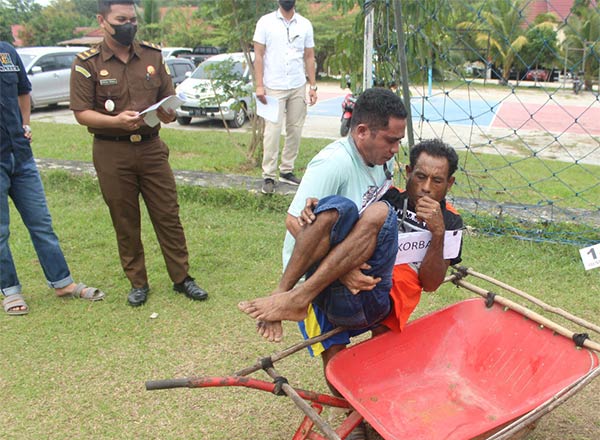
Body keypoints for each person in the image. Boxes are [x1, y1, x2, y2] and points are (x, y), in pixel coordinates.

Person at [239, 89, 462, 388]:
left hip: (369, 283)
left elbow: (431, 282)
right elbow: (294, 221)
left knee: (362, 212)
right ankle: (290, 297)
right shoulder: (336, 164)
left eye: (437, 181)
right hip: (325, 278)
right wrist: (343, 269)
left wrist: (437, 232)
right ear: (361, 132)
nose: (396, 149)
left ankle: (290, 299)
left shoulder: (387, 170)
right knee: (348, 209)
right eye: (391, 140)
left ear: (449, 184)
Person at [69, 0, 208, 307]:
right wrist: (115, 121)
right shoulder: (87, 62)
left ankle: (182, 278)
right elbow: (81, 113)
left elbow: (166, 99)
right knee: (125, 219)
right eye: (121, 19)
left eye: (132, 19)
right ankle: (138, 282)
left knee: (168, 214)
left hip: (150, 147)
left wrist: (168, 112)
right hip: (111, 151)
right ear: (103, 21)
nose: (128, 24)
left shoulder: (152, 56)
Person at [1, 40, 105, 315]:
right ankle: (10, 291)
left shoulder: (7, 52)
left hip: (20, 155)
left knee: (41, 224)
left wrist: (26, 123)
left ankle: (63, 283)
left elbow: (24, 91)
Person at [253, 0, 318, 194]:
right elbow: (258, 55)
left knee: (295, 129)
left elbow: (309, 56)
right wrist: (259, 85)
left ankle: (286, 170)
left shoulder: (305, 24)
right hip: (273, 86)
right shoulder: (265, 22)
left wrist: (312, 86)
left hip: (298, 84)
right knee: (272, 131)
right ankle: (269, 175)